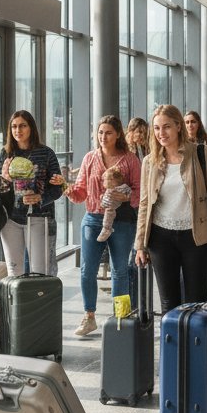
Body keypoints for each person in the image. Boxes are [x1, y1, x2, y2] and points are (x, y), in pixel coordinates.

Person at [137, 105, 207, 313]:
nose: (161, 133)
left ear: (179, 127)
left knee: (196, 302)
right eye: (156, 128)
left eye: (166, 127)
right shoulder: (149, 162)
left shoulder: (201, 153)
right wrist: (139, 245)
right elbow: (145, 204)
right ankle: (171, 345)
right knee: (168, 303)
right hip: (160, 237)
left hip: (196, 237)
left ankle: (193, 345)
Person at [65, 115, 141, 337]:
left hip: (122, 220)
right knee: (87, 270)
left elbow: (139, 192)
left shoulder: (130, 160)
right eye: (100, 133)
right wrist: (70, 192)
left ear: (118, 134)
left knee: (120, 270)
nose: (103, 137)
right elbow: (81, 191)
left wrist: (123, 196)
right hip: (93, 218)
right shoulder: (89, 158)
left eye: (108, 132)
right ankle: (89, 317)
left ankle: (121, 317)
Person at [0, 110, 63, 276]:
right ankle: (17, 303)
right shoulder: (5, 153)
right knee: (14, 272)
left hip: (39, 218)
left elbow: (58, 188)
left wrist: (41, 197)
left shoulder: (46, 153)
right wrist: (4, 178)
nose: (18, 130)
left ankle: (39, 303)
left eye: (22, 126)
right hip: (10, 219)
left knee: (40, 272)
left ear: (31, 128)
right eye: (14, 127)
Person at [98, 165, 133, 241]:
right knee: (103, 200)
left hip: (113, 206)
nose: (106, 181)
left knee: (109, 213)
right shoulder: (109, 188)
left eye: (109, 179)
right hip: (105, 205)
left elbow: (130, 193)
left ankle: (107, 228)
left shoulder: (122, 187)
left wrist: (127, 197)